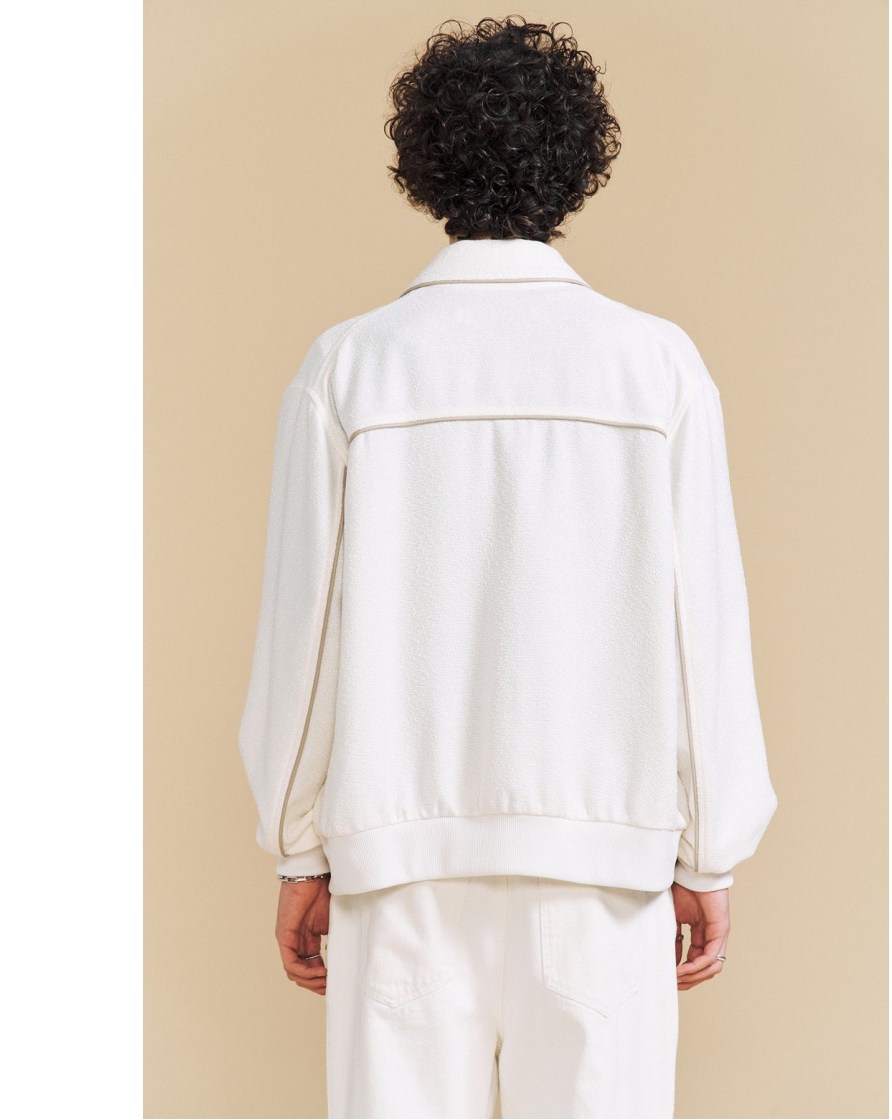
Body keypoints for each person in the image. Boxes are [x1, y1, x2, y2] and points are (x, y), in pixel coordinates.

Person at [237, 15, 778, 1119]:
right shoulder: (656, 366)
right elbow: (703, 631)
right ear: (576, 168)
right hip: (602, 869)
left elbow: (302, 634)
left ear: (423, 166)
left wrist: (298, 847)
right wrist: (709, 851)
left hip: (399, 868)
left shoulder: (350, 367)